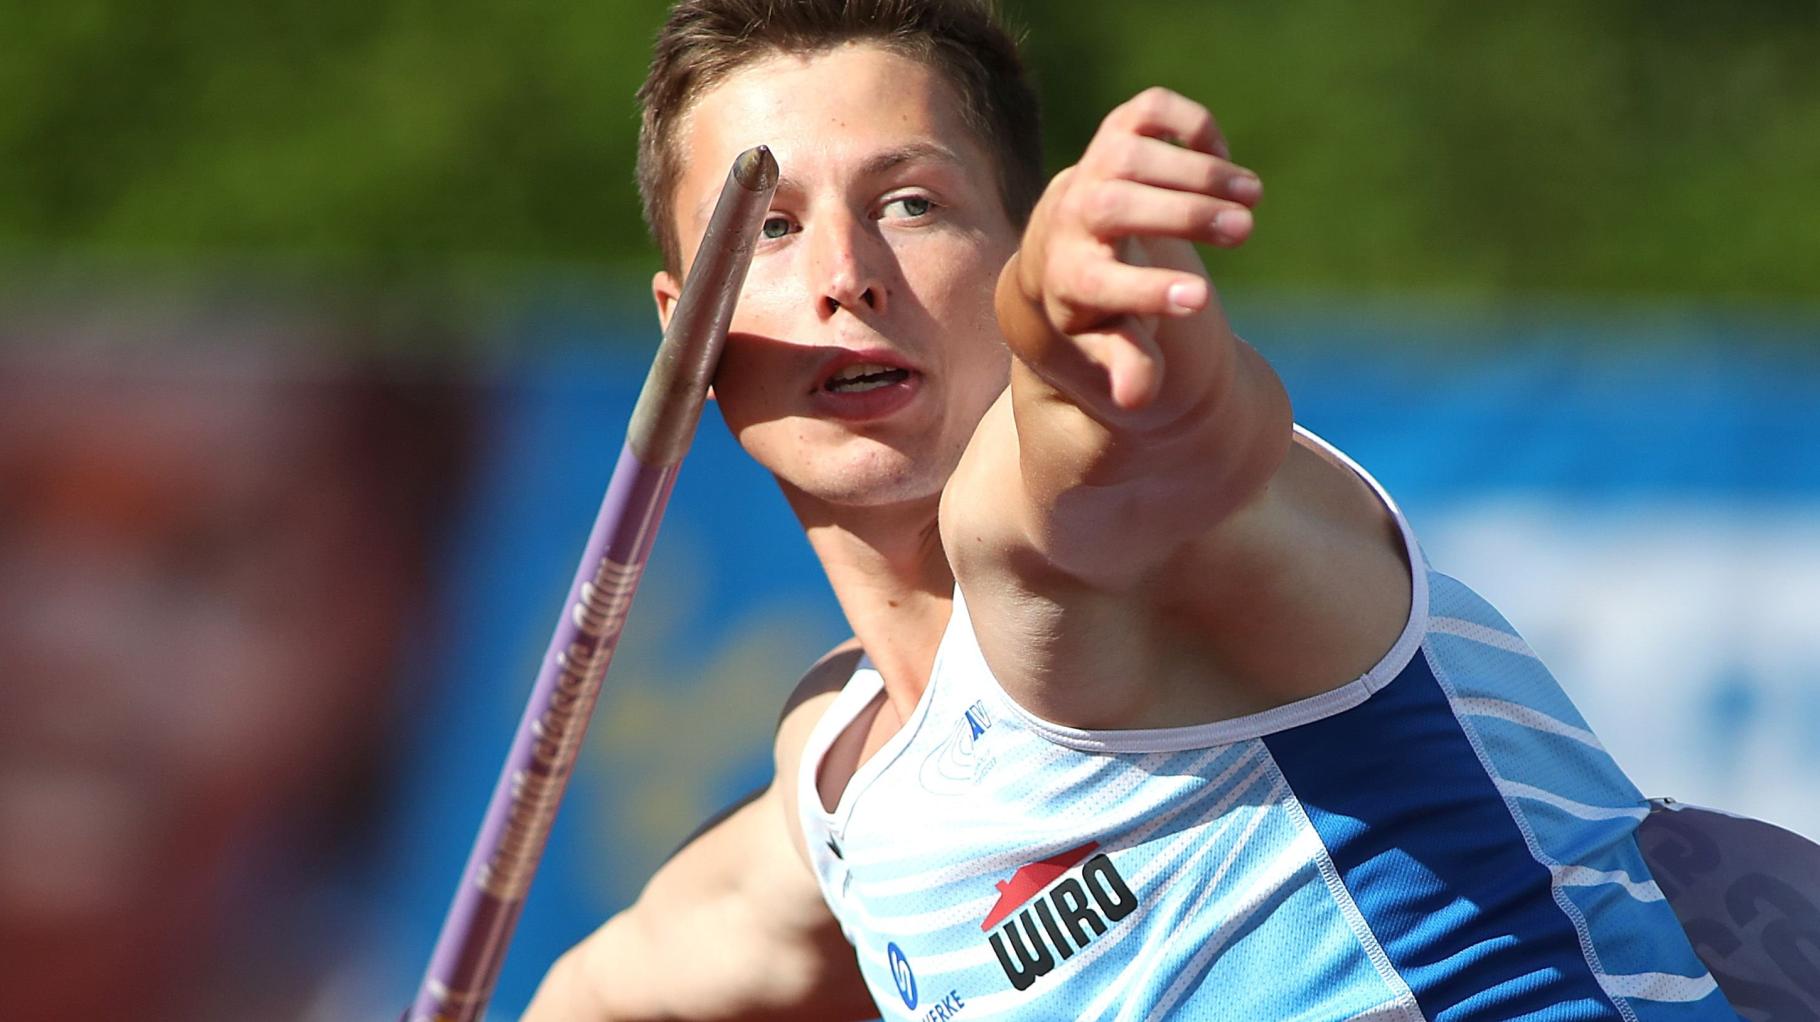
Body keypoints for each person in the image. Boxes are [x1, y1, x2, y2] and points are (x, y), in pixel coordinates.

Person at [528, 1, 1733, 1018]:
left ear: (1010, 246)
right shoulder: (844, 778)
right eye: (772, 227)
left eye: (911, 204)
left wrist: (1078, 312)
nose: (845, 272)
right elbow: (620, 979)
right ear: (684, 331)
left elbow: (1125, 440)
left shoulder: (1084, 550)